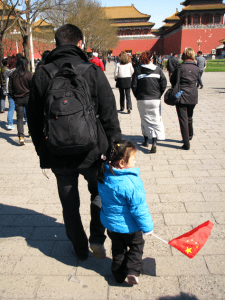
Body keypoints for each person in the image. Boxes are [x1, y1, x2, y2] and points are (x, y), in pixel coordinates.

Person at [27, 24, 121, 261]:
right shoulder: (92, 70)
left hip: (57, 152)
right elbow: (109, 113)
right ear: (80, 43)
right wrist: (115, 149)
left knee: (69, 204)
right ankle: (97, 238)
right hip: (93, 150)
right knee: (98, 195)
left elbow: (34, 118)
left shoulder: (42, 73)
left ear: (56, 43)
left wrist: (43, 151)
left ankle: (79, 248)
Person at [98, 139, 154, 285]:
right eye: (133, 159)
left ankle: (118, 274)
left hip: (112, 226)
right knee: (136, 246)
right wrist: (147, 227)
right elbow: (139, 209)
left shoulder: (104, 175)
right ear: (122, 163)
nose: (135, 162)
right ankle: (133, 271)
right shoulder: (131, 182)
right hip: (130, 227)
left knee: (118, 250)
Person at [132, 51, 167, 153]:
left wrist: (138, 96)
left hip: (142, 99)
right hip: (155, 99)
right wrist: (158, 94)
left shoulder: (138, 71)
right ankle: (154, 142)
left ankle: (146, 140)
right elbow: (164, 83)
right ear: (152, 59)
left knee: (144, 119)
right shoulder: (158, 70)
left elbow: (134, 86)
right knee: (155, 120)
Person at [170, 47, 199, 150]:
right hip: (193, 94)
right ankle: (190, 135)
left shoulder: (180, 67)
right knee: (189, 116)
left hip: (181, 94)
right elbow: (197, 80)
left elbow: (173, 80)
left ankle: (186, 143)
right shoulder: (196, 68)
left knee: (183, 119)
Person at [9, 57, 33, 145]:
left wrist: (14, 97)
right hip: (28, 98)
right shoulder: (29, 74)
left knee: (19, 118)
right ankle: (30, 131)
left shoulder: (13, 75)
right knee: (29, 116)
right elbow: (32, 87)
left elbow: (10, 88)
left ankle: (21, 136)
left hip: (18, 99)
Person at [5, 55, 17, 130]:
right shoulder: (16, 71)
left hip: (9, 90)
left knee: (11, 108)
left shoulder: (6, 71)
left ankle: (10, 123)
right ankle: (26, 119)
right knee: (22, 106)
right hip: (16, 90)